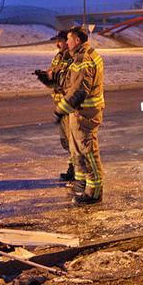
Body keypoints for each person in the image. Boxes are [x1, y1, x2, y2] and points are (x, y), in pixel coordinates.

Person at [53, 27, 105, 205]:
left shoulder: (84, 59)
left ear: (76, 41)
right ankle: (82, 184)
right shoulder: (79, 56)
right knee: (77, 150)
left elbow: (79, 90)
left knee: (87, 151)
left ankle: (94, 191)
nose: (66, 42)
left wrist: (61, 108)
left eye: (68, 39)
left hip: (86, 112)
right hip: (79, 112)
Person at [35, 29, 74, 181]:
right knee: (65, 140)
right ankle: (73, 167)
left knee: (72, 140)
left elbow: (67, 82)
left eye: (61, 41)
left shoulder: (72, 58)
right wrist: (44, 78)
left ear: (68, 42)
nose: (57, 44)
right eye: (57, 41)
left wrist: (52, 80)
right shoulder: (58, 57)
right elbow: (54, 79)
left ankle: (76, 170)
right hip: (60, 104)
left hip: (69, 105)